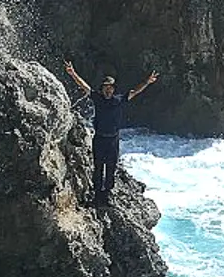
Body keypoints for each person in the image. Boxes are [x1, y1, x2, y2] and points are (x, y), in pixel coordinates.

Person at [64, 61, 158, 207]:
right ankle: (97, 194)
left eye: (110, 88)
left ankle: (107, 194)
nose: (108, 90)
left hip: (113, 139)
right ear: (102, 89)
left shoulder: (119, 100)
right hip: (99, 138)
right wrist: (72, 73)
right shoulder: (97, 98)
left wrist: (147, 82)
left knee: (111, 167)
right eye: (106, 88)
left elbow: (135, 91)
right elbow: (84, 86)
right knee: (98, 166)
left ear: (113, 89)